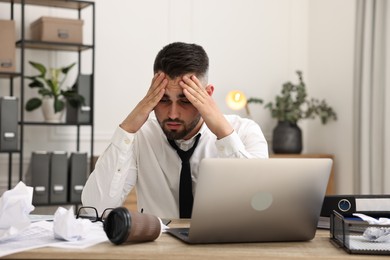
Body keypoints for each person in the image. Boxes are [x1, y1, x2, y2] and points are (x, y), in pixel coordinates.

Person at [81, 42, 269, 219]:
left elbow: (259, 206)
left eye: (185, 100)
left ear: (207, 94)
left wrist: (223, 132)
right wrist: (128, 127)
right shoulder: (140, 136)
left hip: (223, 249)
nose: (172, 114)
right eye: (163, 100)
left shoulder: (245, 132)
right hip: (159, 249)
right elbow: (94, 208)